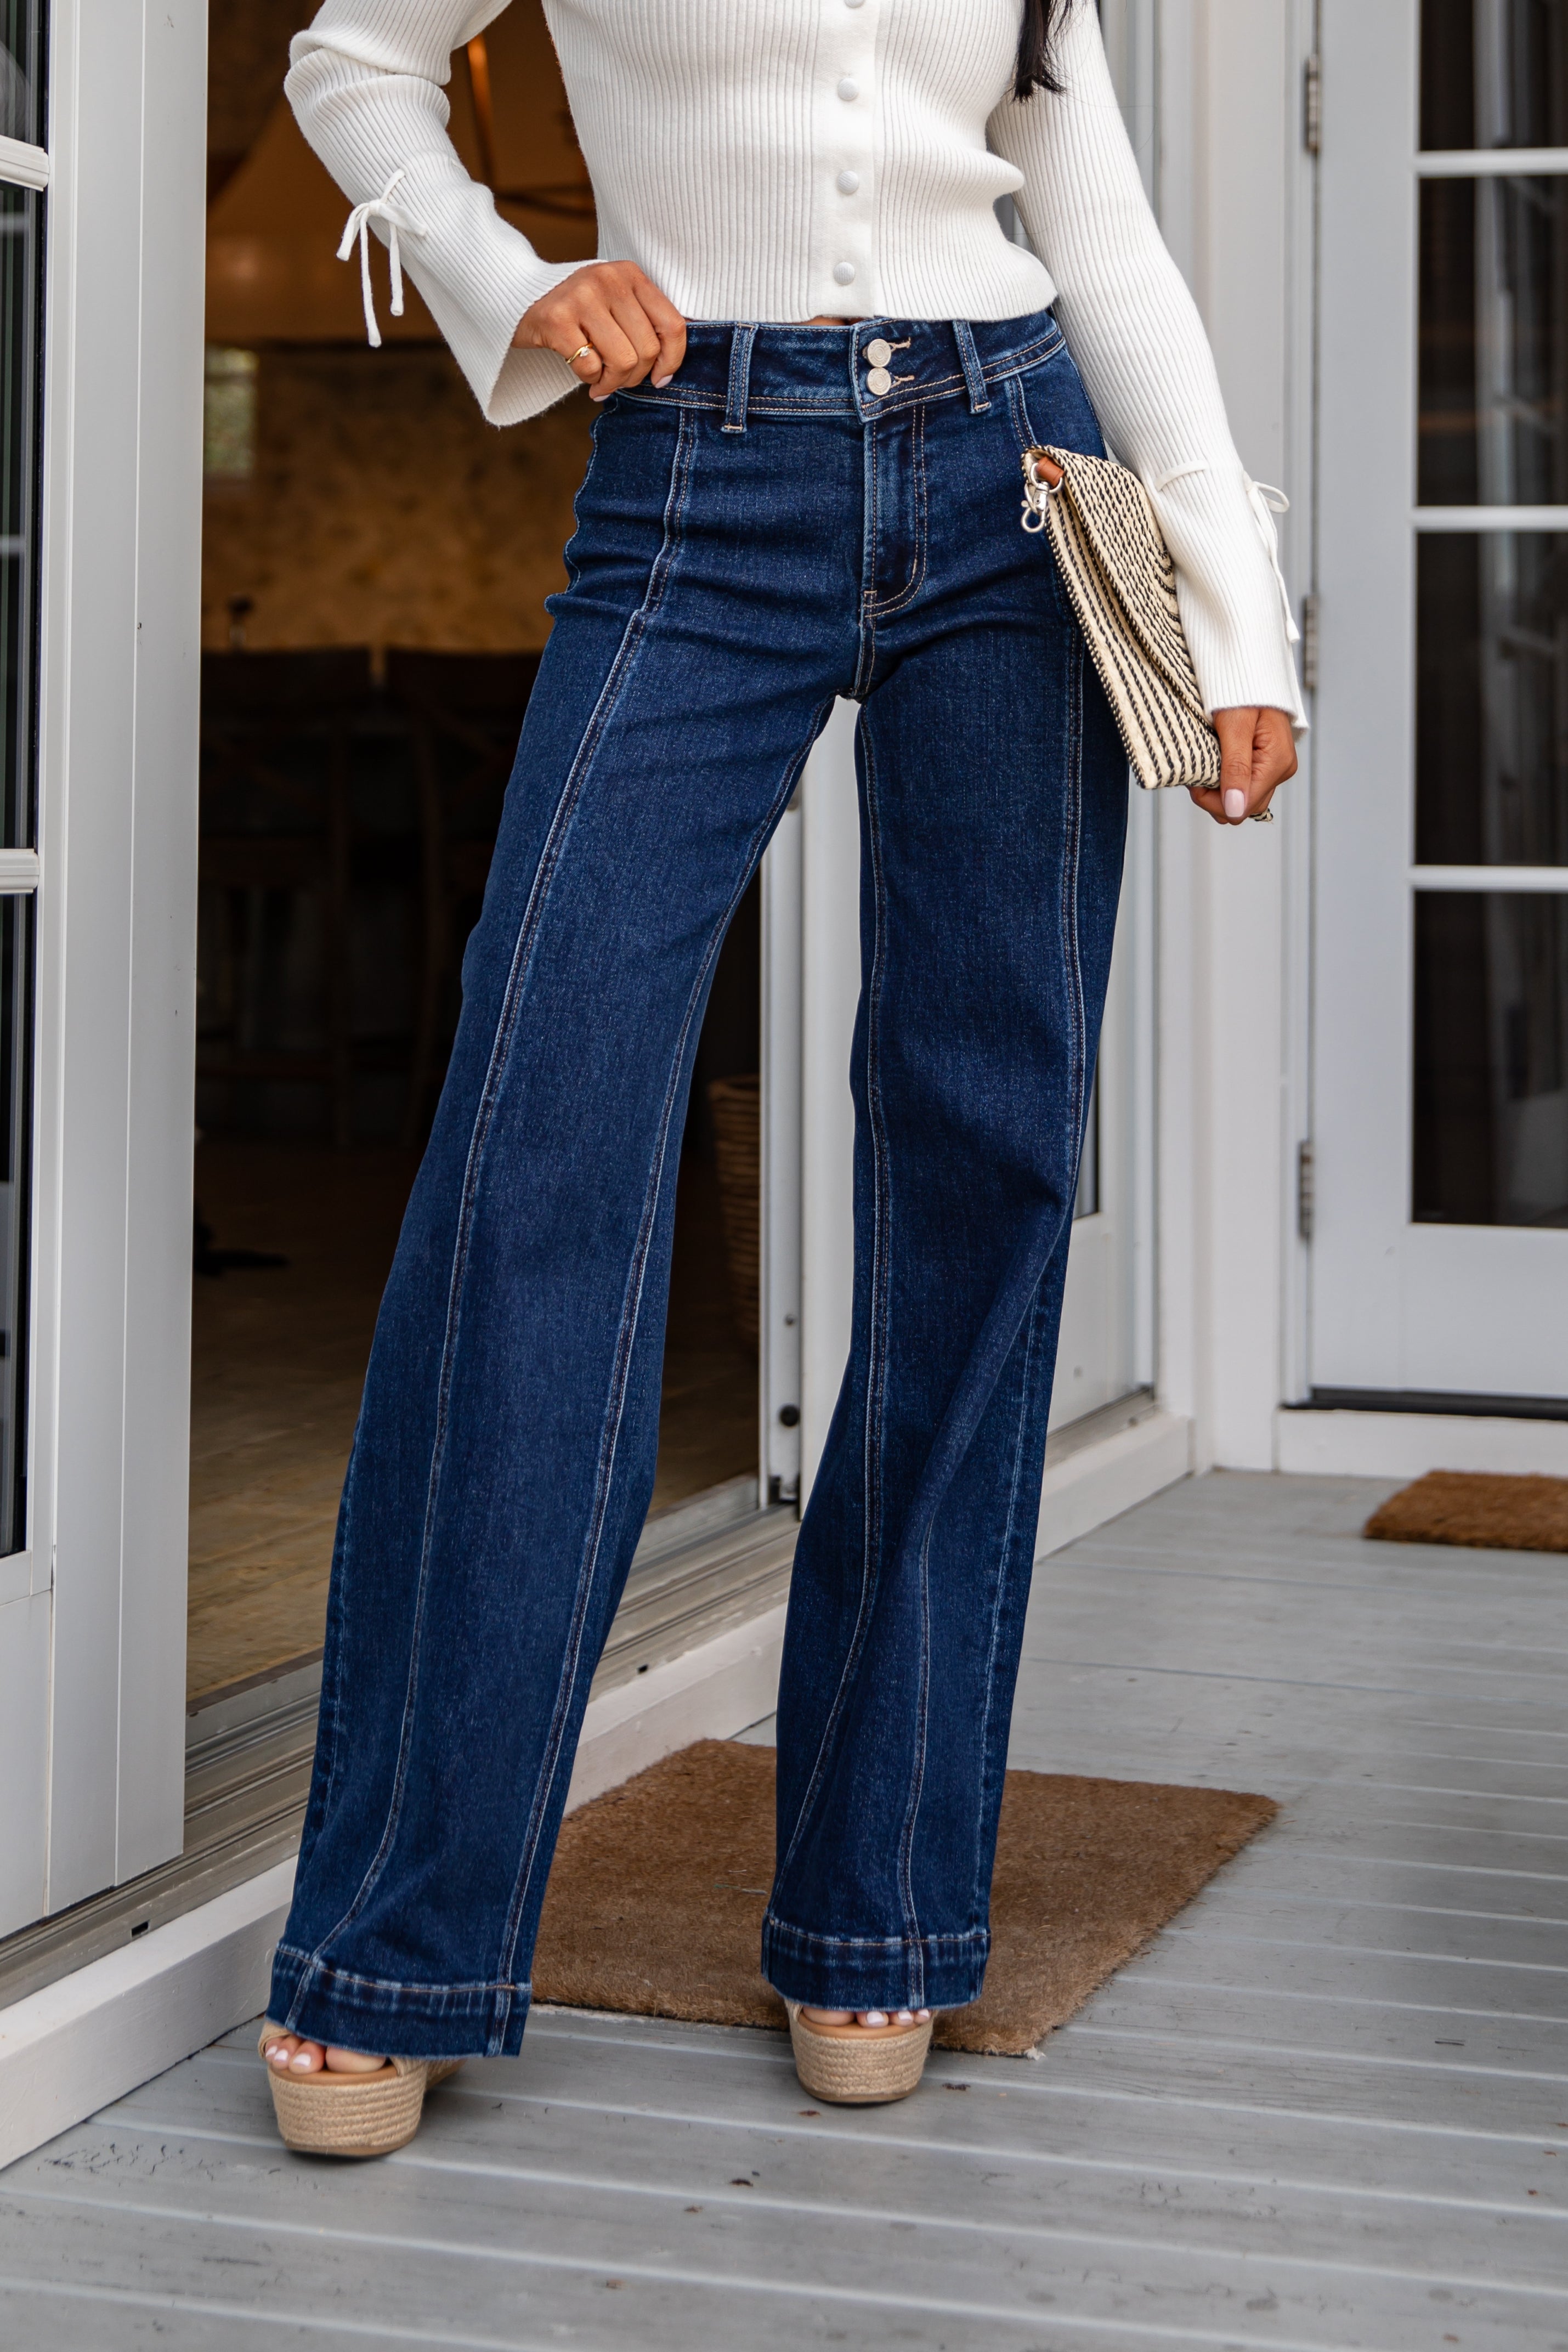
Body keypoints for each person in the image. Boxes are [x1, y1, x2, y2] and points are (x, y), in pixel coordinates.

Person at [259, 0, 1300, 2153]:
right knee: (530, 1161)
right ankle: (399, 1931)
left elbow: (1090, 220)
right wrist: (510, 276)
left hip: (1011, 467)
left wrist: (1237, 606)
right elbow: (351, 55)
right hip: (689, 477)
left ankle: (878, 1915)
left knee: (980, 1171)